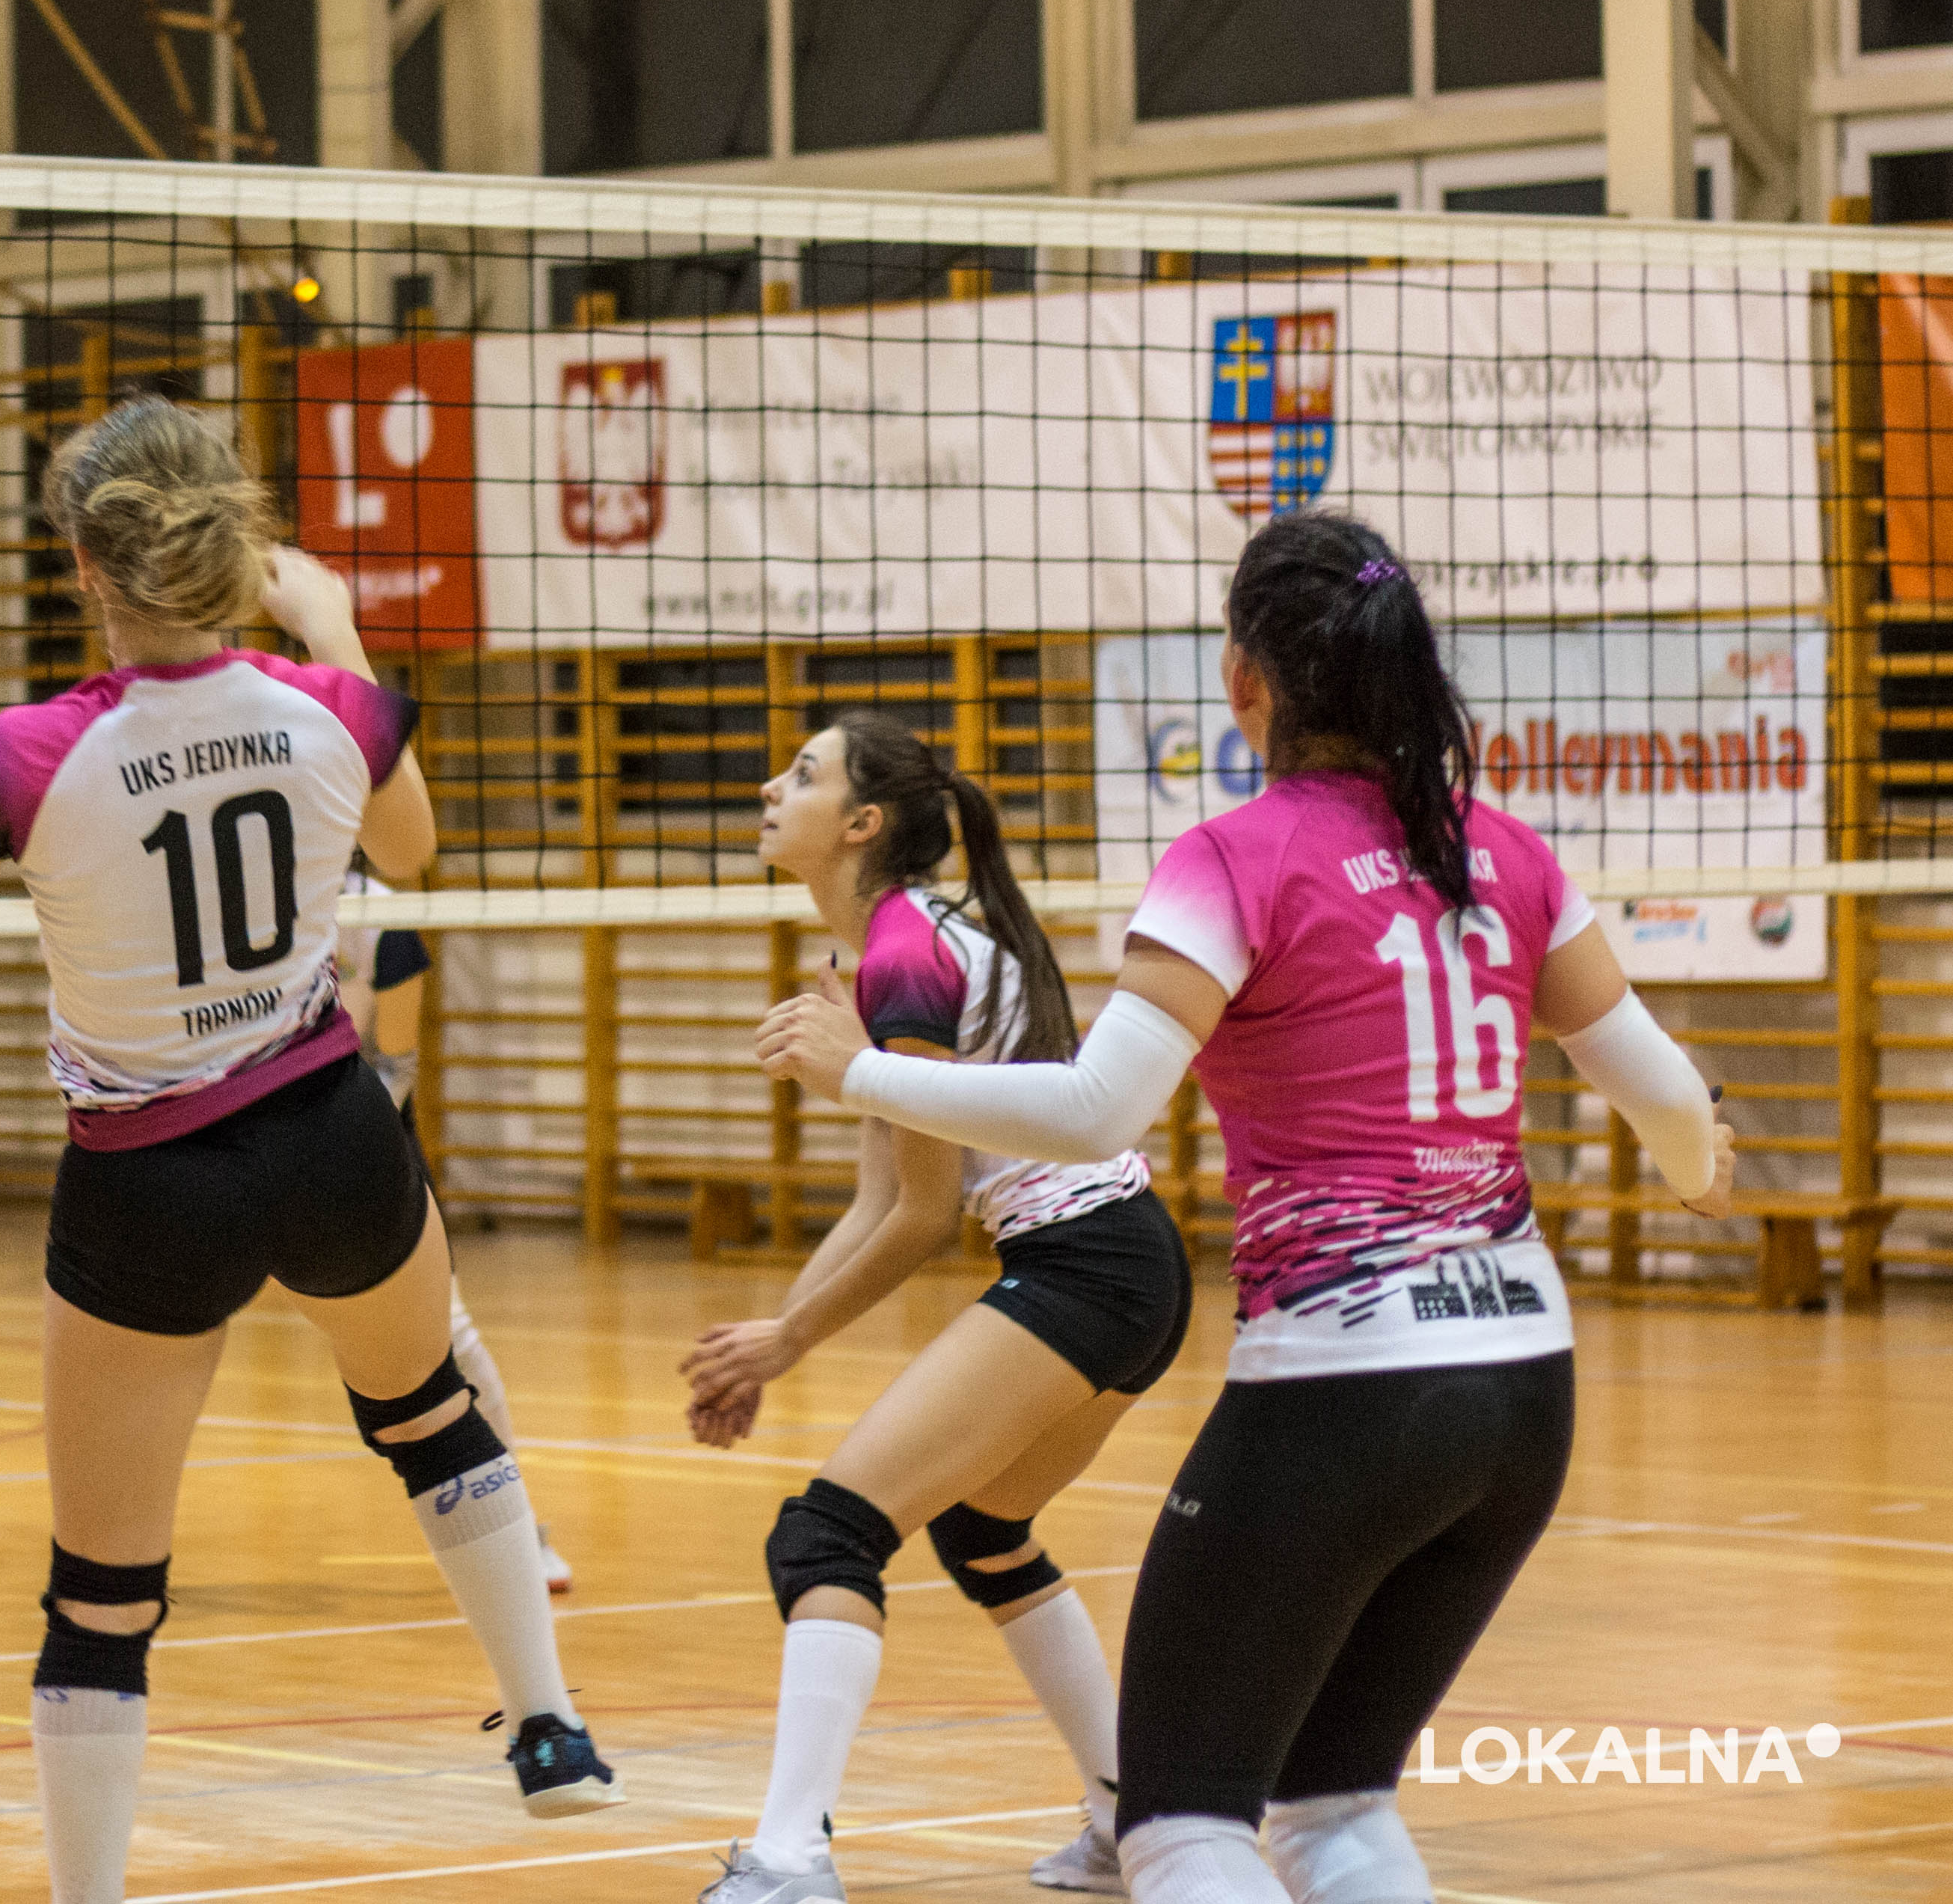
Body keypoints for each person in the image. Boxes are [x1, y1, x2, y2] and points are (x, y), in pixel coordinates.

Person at [762, 514, 1735, 1904]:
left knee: (1182, 1827)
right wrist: (1698, 1170)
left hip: (1347, 1382)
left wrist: (851, 1069)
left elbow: (1096, 1108)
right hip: (1523, 1386)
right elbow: (1668, 1102)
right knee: (1332, 1810)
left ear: (1243, 679)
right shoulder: (1504, 852)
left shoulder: (1235, 856)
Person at [0, 397, 621, 1904]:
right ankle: (547, 1724)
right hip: (333, 1133)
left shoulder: (25, 756)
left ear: (83, 565)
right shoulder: (328, 706)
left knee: (103, 1590)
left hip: (149, 1180)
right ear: (238, 552)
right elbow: (410, 852)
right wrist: (332, 623)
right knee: (429, 1411)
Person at [678, 715, 1188, 1901]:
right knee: (980, 1528)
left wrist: (790, 1338)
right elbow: (881, 1197)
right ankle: (1129, 1816)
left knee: (826, 1535)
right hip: (1126, 1261)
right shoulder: (892, 947)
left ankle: (789, 1859)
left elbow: (920, 1216)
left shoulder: (908, 955)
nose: (769, 786)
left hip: (1085, 1262)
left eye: (801, 774)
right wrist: (770, 1341)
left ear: (861, 823)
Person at [335, 877, 571, 1595]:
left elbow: (395, 1065)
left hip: (362, 1146)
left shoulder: (383, 920)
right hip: (234, 1148)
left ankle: (520, 1529)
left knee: (450, 1341)